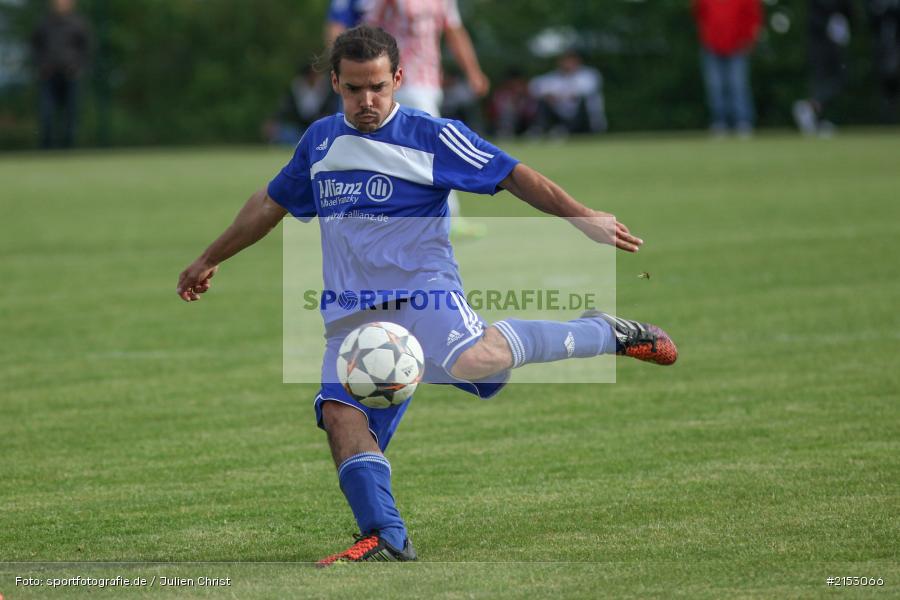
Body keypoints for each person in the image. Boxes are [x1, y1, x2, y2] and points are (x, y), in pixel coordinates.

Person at [176, 26, 677, 565]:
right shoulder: (320, 142)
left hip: (423, 292)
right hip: (352, 314)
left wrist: (582, 217)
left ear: (397, 79)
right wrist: (210, 257)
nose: (366, 101)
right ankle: (386, 535)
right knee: (342, 418)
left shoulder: (431, 135)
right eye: (352, 89)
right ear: (334, 84)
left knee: (475, 360)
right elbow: (269, 203)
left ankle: (604, 331)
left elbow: (512, 174)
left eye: (377, 87)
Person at [364, 0, 489, 236]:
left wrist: (473, 71)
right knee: (437, 145)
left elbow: (454, 32)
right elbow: (368, 31)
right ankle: (448, 218)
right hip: (401, 80)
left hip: (429, 81)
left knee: (401, 151)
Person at [692, 0, 762, 136]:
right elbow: (699, 14)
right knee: (715, 86)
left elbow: (754, 17)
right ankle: (719, 122)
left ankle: (743, 122)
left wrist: (749, 39)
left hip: (738, 45)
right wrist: (705, 36)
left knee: (738, 85)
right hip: (712, 46)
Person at [30, 0, 91, 149]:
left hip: (70, 75)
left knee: (71, 113)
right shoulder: (44, 24)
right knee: (47, 112)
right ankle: (46, 147)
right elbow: (34, 47)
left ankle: (68, 147)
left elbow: (87, 48)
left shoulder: (79, 24)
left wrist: (78, 68)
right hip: (49, 75)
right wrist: (41, 66)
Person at [792, 0, 854, 136]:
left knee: (825, 79)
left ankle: (816, 115)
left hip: (821, 37)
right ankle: (812, 108)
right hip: (825, 37)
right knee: (835, 79)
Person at [528, 51, 607, 136]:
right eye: (565, 61)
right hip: (560, 113)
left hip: (584, 117)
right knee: (543, 102)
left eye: (570, 61)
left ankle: (566, 129)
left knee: (582, 101)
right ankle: (540, 128)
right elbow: (534, 87)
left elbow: (585, 91)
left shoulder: (588, 75)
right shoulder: (554, 77)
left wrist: (560, 95)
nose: (567, 64)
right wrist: (548, 96)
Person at [263, 63, 333, 144]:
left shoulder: (326, 88)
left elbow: (330, 109)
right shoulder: (296, 88)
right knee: (284, 133)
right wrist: (273, 120)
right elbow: (285, 108)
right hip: (298, 128)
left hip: (318, 127)